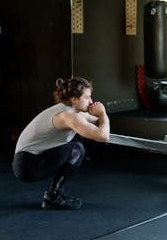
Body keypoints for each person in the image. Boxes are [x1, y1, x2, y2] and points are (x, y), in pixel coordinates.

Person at [12, 76, 110, 210]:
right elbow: (103, 136)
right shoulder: (67, 115)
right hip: (27, 165)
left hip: (30, 160)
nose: (91, 101)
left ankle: (54, 195)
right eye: (87, 98)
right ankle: (53, 196)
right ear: (74, 99)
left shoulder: (71, 111)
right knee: (77, 148)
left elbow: (98, 124)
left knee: (78, 141)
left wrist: (99, 116)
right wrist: (103, 113)